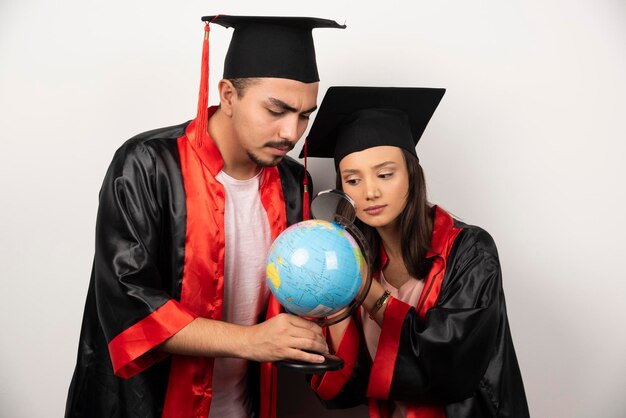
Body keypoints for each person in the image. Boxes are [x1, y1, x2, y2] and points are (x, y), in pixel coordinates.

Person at [65, 15, 345, 418]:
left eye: (304, 115)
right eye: (276, 110)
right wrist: (251, 341)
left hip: (244, 407)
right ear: (228, 95)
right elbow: (130, 303)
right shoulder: (147, 164)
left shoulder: (291, 182)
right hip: (146, 406)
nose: (291, 132)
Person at [303, 87, 530, 417]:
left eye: (385, 174)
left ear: (412, 173)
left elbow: (450, 373)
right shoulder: (356, 258)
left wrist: (368, 291)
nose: (370, 191)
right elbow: (346, 390)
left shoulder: (470, 252)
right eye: (353, 180)